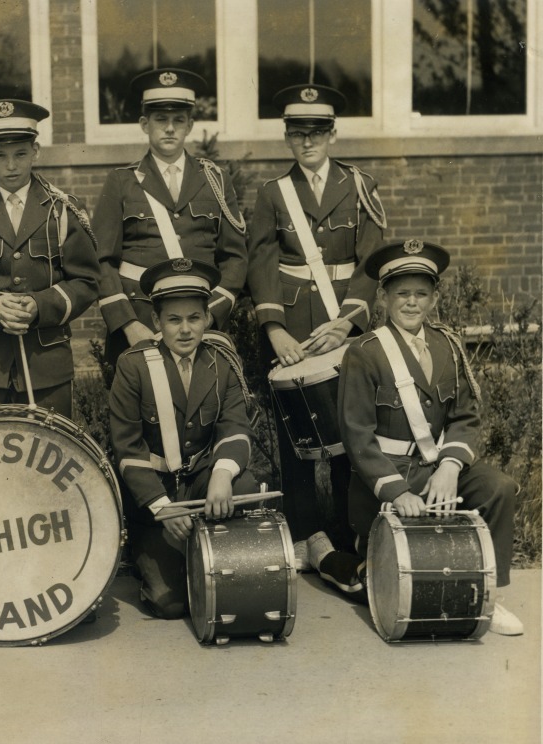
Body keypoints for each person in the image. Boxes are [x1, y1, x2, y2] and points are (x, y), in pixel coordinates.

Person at [338, 240, 522, 635]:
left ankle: (490, 594)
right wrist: (396, 491)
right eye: (402, 293)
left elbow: (466, 416)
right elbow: (356, 436)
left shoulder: (447, 346)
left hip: (437, 467)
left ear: (434, 298)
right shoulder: (365, 352)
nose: (411, 302)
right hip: (388, 477)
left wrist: (450, 466)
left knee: (498, 487)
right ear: (383, 298)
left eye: (421, 294)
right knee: (406, 575)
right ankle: (360, 560)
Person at [247, 84, 386, 574]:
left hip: (344, 323)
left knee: (351, 430)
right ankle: (305, 534)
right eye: (298, 133)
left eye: (317, 132)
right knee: (296, 438)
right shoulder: (273, 193)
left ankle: (352, 534)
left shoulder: (360, 186)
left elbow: (371, 263)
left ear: (333, 134)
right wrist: (274, 329)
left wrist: (347, 324)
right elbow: (261, 262)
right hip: (294, 328)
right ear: (287, 137)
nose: (308, 142)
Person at [109, 258, 258, 619]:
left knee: (244, 485)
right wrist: (162, 506)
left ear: (207, 318)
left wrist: (221, 474)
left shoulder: (221, 363)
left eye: (194, 318)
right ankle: (151, 560)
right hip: (156, 494)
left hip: (200, 482)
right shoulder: (133, 366)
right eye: (174, 320)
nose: (186, 330)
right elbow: (127, 449)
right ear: (156, 322)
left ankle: (216, 555)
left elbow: (235, 427)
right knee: (171, 604)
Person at [0, 100, 100, 417]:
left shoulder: (62, 211)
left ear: (35, 151)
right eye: (0, 155)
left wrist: (40, 305)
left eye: (20, 154)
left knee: (50, 446)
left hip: (46, 366)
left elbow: (87, 281)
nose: (11, 165)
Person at [91, 68, 247, 365]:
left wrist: (210, 315)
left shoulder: (215, 180)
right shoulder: (121, 182)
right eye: (161, 119)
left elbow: (234, 258)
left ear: (190, 125)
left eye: (178, 120)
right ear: (144, 124)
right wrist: (128, 324)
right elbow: (101, 261)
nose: (170, 128)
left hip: (200, 323)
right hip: (140, 321)